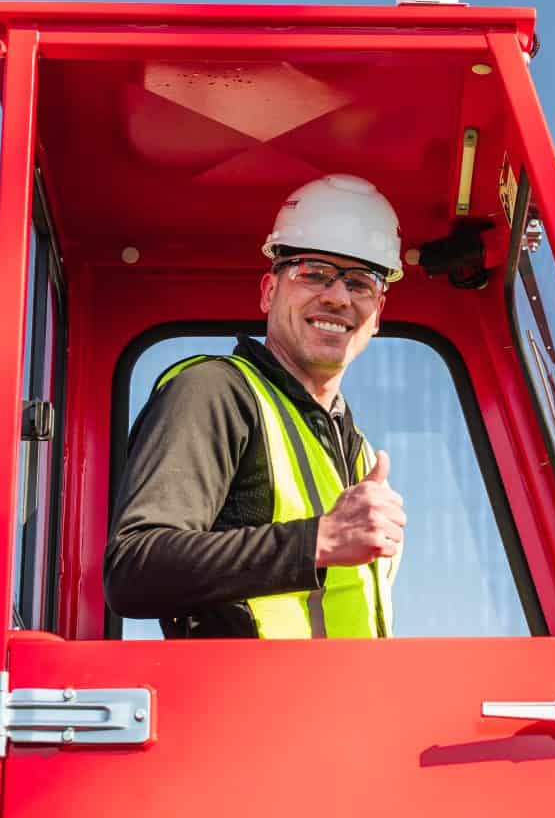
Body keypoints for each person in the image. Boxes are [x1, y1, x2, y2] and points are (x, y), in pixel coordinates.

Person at [104, 174, 407, 639]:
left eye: (361, 283)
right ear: (269, 291)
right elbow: (133, 569)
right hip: (242, 689)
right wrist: (318, 540)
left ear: (377, 313)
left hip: (351, 689)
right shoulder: (214, 392)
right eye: (313, 273)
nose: (338, 297)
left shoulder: (358, 452)